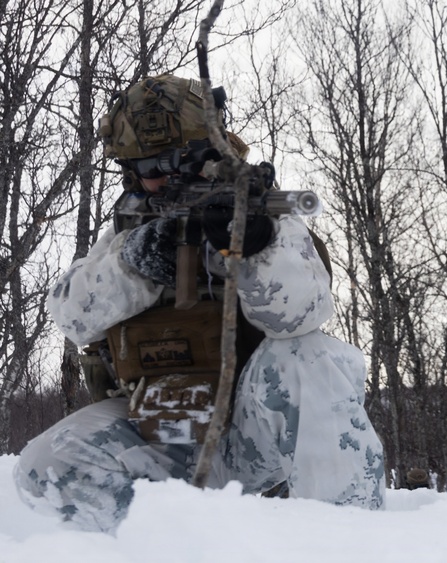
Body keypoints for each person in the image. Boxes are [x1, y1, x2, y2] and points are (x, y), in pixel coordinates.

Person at [13, 74, 386, 532]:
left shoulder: (265, 216)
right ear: (130, 170)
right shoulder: (128, 231)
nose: (166, 178)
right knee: (47, 465)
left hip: (247, 437)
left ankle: (347, 537)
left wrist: (255, 248)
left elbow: (298, 317)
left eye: (181, 162)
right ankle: (169, 544)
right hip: (158, 434)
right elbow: (71, 317)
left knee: (310, 357)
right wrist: (138, 261)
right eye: (151, 168)